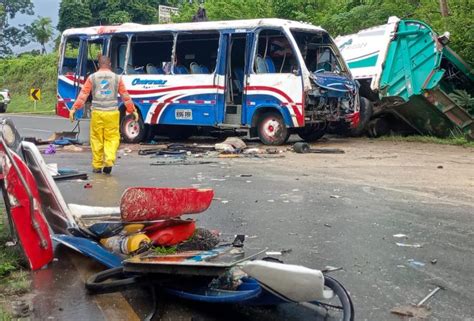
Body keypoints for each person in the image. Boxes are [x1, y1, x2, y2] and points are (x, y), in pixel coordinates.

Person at [69, 56, 138, 174]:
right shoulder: (117, 78)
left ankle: (97, 165)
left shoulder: (92, 77)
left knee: (96, 139)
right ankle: (109, 161)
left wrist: (74, 108)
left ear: (99, 64)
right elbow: (125, 96)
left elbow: (83, 94)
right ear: (109, 64)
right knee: (112, 138)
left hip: (97, 113)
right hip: (112, 114)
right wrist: (132, 110)